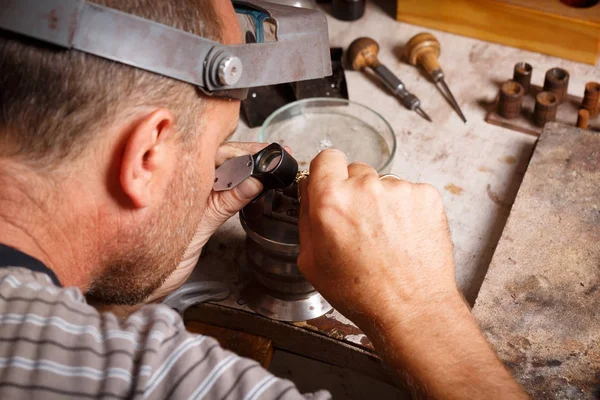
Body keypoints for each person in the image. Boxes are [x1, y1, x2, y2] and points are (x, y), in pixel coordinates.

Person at [0, 1, 529, 399]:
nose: (219, 161)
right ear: (146, 156)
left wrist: (125, 273)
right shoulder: (158, 379)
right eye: (216, 138)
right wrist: (422, 312)